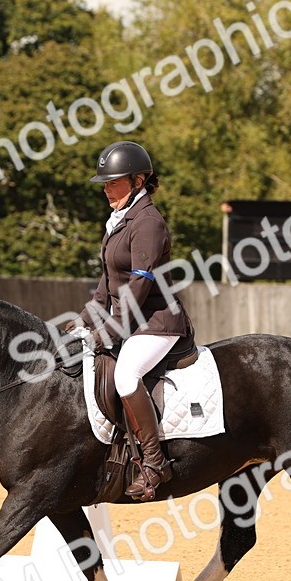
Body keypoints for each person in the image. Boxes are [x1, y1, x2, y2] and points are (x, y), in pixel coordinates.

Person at [72, 141, 194, 501]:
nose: (106, 189)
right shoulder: (119, 221)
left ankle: (154, 464)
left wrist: (108, 330)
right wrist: (82, 320)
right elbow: (106, 286)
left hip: (156, 322)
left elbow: (140, 285)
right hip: (131, 320)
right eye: (105, 183)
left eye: (113, 182)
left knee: (126, 374)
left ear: (138, 181)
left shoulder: (149, 223)